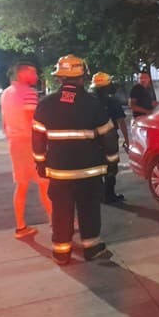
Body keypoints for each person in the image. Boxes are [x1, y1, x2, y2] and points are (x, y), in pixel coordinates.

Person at [32, 54, 119, 265]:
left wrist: (40, 163)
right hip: (89, 172)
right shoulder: (93, 104)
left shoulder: (45, 105)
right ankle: (91, 248)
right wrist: (112, 162)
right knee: (89, 209)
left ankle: (61, 252)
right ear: (83, 77)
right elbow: (109, 136)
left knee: (61, 211)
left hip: (59, 172)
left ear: (60, 78)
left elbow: (37, 139)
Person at [0, 61, 52, 239]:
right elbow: (34, 122)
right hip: (30, 144)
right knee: (45, 184)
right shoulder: (29, 93)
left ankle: (21, 226)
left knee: (21, 185)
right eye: (34, 73)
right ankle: (55, 221)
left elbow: (4, 123)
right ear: (23, 74)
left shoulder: (6, 94)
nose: (37, 77)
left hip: (14, 144)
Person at [91, 72, 130, 204]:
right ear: (108, 86)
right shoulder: (113, 101)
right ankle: (109, 195)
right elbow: (121, 121)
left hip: (92, 140)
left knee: (95, 167)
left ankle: (99, 194)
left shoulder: (89, 101)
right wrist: (127, 140)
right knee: (111, 167)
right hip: (110, 139)